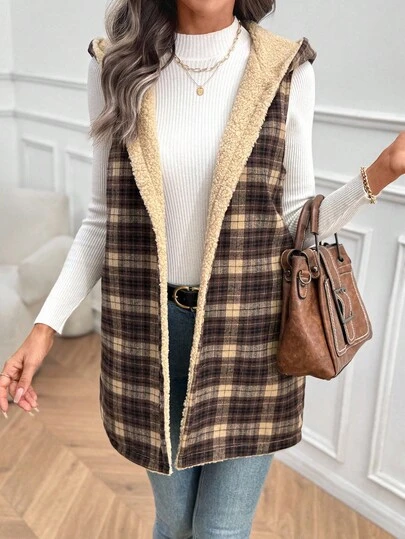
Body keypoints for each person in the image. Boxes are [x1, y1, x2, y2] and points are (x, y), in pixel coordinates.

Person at [1, 1, 404, 537]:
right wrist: (44, 328)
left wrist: (384, 170)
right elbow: (103, 222)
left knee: (221, 530)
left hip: (251, 337)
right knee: (174, 522)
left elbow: (295, 223)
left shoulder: (286, 69)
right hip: (150, 336)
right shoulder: (116, 65)